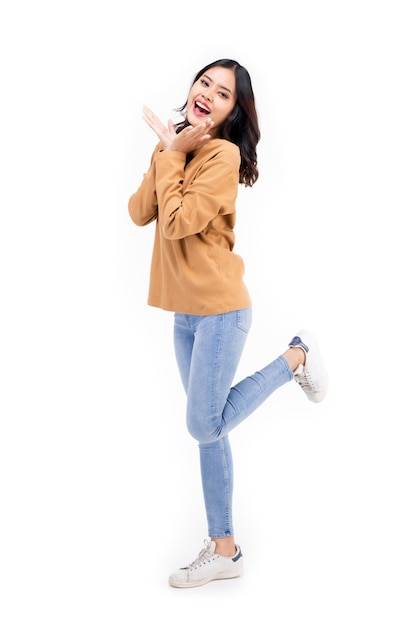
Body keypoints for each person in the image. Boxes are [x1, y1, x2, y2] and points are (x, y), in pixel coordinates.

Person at [128, 58, 328, 589]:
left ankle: (295, 358)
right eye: (204, 83)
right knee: (211, 433)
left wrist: (174, 154)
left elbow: (175, 222)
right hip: (186, 315)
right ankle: (225, 549)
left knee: (203, 424)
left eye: (222, 93)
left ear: (233, 112)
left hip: (220, 310)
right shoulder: (180, 147)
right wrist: (165, 150)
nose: (208, 94)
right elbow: (140, 211)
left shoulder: (221, 156)